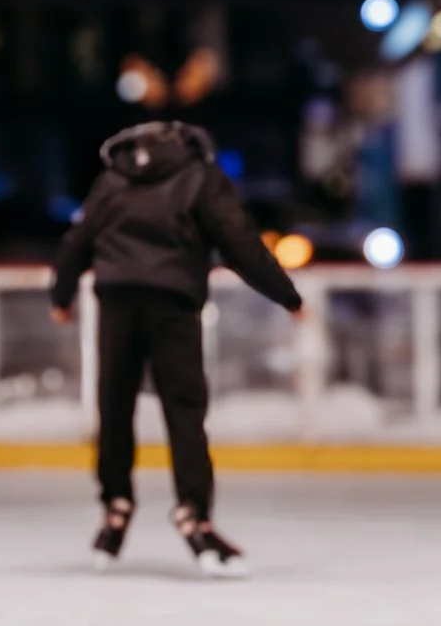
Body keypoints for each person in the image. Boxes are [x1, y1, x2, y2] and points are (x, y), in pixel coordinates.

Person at [49, 120, 304, 576]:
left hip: (118, 301)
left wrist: (61, 295)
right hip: (172, 303)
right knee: (184, 409)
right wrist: (286, 295)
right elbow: (239, 242)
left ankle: (115, 506)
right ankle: (194, 514)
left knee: (115, 404)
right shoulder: (199, 178)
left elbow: (77, 241)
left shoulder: (113, 179)